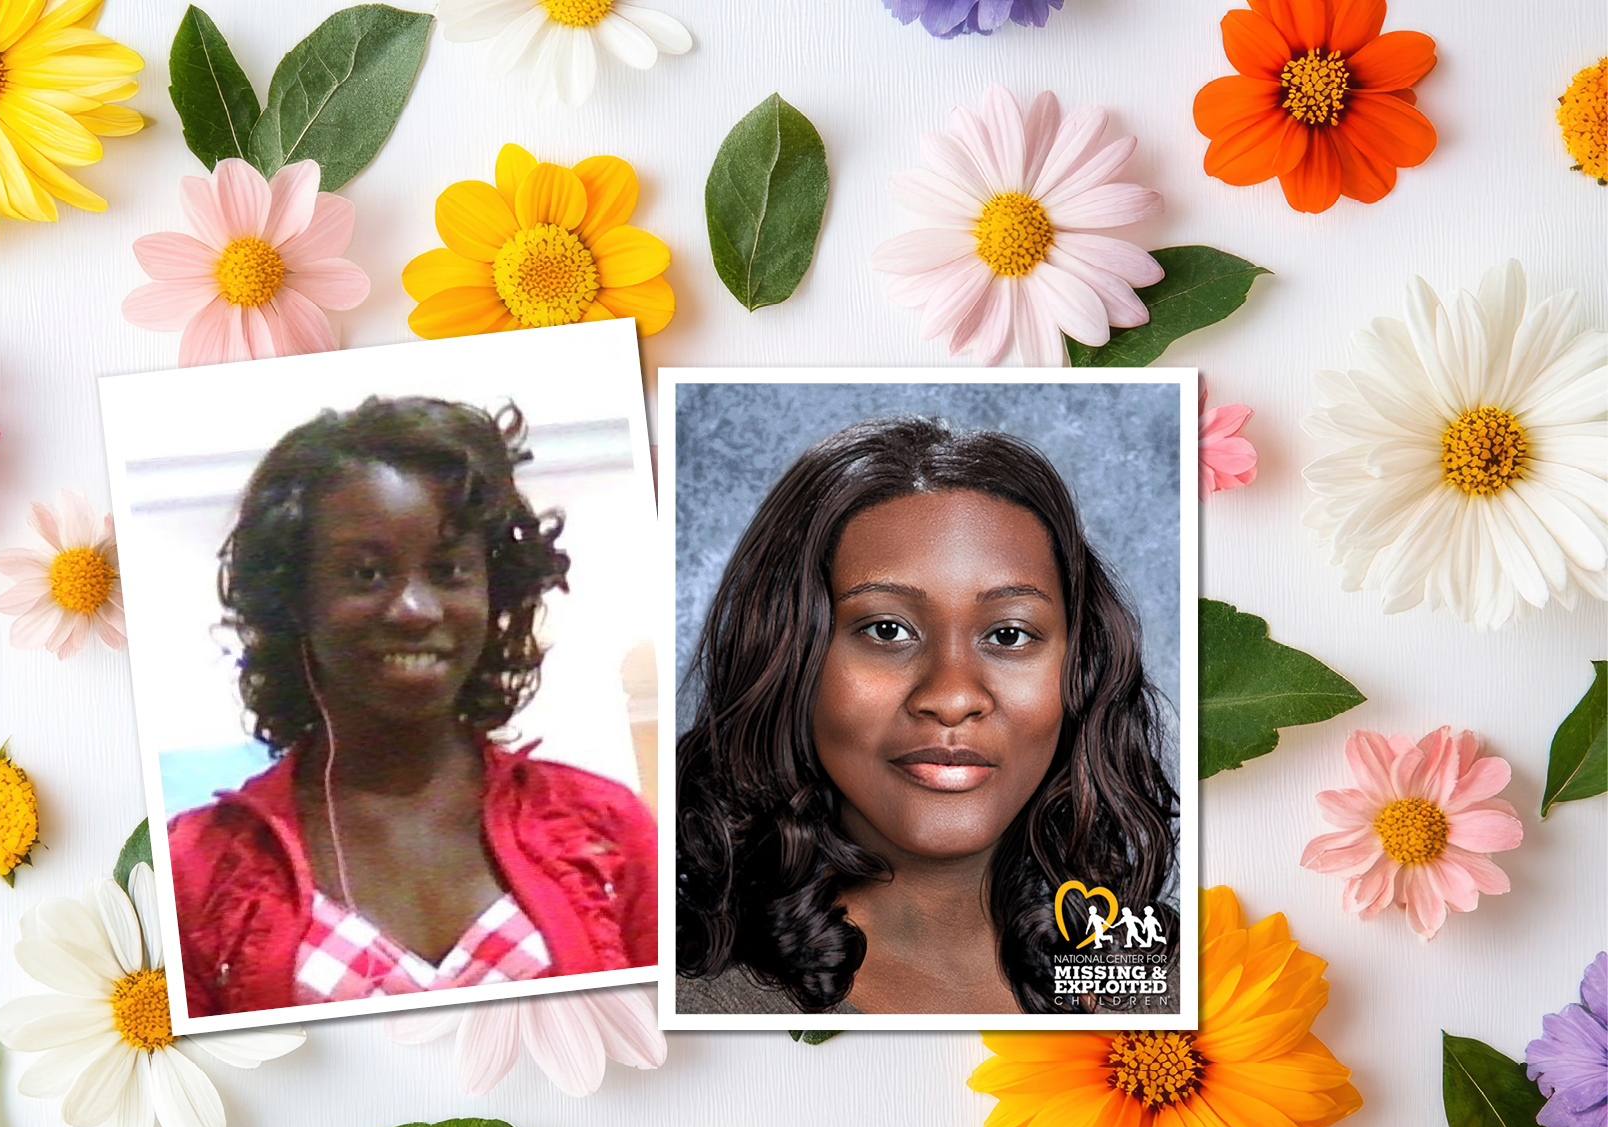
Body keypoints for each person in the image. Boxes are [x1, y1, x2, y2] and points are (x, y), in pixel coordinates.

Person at [169, 395, 657, 1016]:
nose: (415, 609)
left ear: (493, 591)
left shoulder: (606, 827)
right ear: (295, 599)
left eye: (450, 569)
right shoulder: (195, 869)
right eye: (366, 574)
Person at [676, 418, 1177, 1014]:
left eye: (1010, 634)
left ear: (1083, 667)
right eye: (887, 630)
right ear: (788, 660)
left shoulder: (1178, 989)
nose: (953, 695)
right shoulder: (681, 1001)